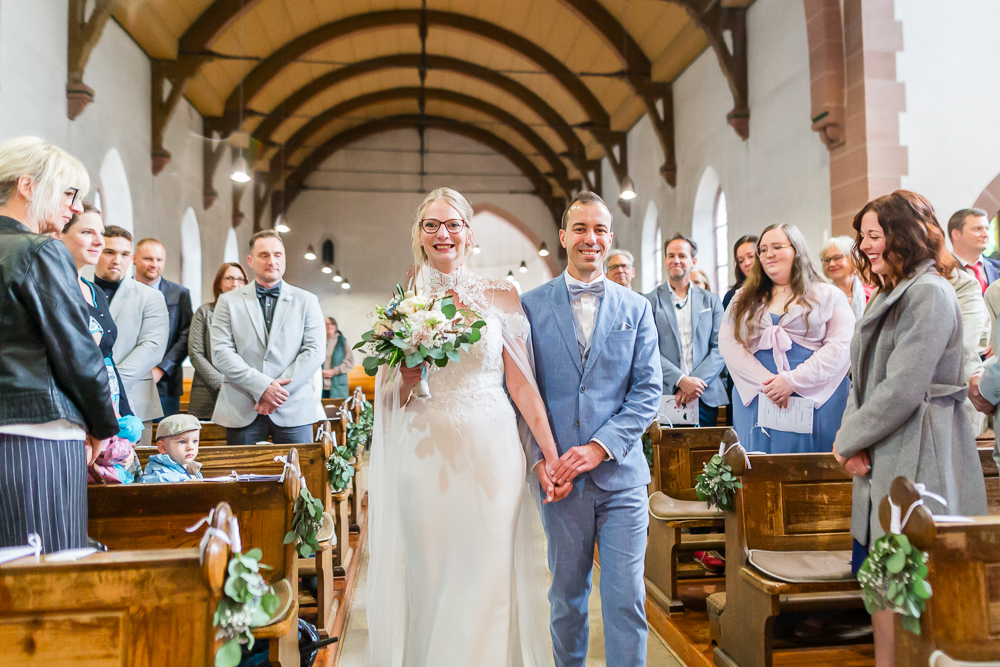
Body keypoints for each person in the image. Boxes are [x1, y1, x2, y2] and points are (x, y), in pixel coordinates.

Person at [366, 187, 570, 667]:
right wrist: (407, 377)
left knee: (486, 571)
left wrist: (550, 455)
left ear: (469, 234)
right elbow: (388, 399)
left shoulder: (502, 295)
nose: (443, 234)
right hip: (423, 451)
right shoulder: (403, 303)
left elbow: (524, 389)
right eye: (432, 225)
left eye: (453, 224)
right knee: (430, 569)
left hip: (491, 452)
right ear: (418, 234)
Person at [834, 190, 987, 667]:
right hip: (883, 448)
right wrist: (852, 443)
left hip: (922, 449)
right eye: (863, 237)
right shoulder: (890, 290)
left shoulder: (929, 293)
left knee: (910, 578)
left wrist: (848, 440)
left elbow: (903, 387)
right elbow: (861, 380)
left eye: (874, 235)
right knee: (881, 578)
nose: (865, 246)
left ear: (906, 235)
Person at [523, 191, 662, 667]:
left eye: (600, 229)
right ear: (563, 237)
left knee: (626, 600)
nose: (591, 238)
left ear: (609, 237)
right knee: (566, 601)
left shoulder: (636, 307)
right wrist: (541, 460)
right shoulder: (529, 306)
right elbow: (520, 393)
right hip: (561, 478)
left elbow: (648, 390)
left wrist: (602, 447)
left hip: (622, 477)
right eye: (580, 228)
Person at [0, 136, 119, 553]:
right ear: (27, 187)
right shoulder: (40, 251)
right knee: (49, 572)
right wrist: (105, 425)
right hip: (36, 435)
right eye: (69, 194)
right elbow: (76, 350)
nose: (73, 208)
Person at [720, 223, 854, 454]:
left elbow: (841, 346)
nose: (768, 254)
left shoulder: (828, 294)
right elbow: (728, 342)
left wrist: (792, 381)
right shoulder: (742, 297)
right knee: (757, 472)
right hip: (758, 395)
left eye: (777, 246)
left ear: (797, 250)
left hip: (816, 397)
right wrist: (768, 383)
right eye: (762, 249)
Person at [211, 230, 326, 445]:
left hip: (293, 406)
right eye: (264, 255)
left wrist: (277, 393)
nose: (271, 261)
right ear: (250, 261)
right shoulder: (228, 301)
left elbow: (315, 351)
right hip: (243, 406)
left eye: (278, 254)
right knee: (242, 476)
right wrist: (262, 387)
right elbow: (221, 352)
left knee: (300, 474)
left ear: (284, 259)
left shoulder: (307, 300)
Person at [56, 203, 143, 483]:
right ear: (59, 233)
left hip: (107, 401)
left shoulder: (93, 290)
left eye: (101, 232)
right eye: (87, 232)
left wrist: (124, 413)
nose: (98, 241)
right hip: (74, 408)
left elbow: (107, 357)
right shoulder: (53, 285)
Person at [95, 226, 169, 445]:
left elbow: (153, 347)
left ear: (132, 258)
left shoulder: (149, 296)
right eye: (109, 252)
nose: (117, 260)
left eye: (124, 254)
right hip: (82, 398)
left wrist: (107, 384)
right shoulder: (76, 289)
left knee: (135, 471)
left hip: (134, 397)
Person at [644, 233, 725, 427]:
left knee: (708, 456)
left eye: (682, 255)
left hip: (704, 394)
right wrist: (680, 380)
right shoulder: (649, 301)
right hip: (667, 393)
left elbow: (720, 347)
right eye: (671, 256)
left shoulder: (711, 301)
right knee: (670, 455)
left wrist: (694, 384)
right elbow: (648, 349)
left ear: (693, 261)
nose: (676, 260)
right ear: (665, 260)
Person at [134, 238, 192, 418]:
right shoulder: (123, 290)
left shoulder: (179, 293)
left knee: (166, 438)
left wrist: (161, 369)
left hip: (166, 383)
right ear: (134, 258)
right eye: (148, 259)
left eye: (159, 260)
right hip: (128, 380)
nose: (154, 264)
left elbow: (186, 336)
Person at [188, 263, 248, 420]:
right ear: (219, 283)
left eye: (240, 279)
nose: (235, 284)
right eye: (229, 278)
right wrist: (221, 382)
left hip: (244, 391)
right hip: (208, 392)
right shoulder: (204, 312)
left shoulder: (251, 316)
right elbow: (196, 353)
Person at [949, 207, 1000, 293]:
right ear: (956, 234)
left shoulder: (998, 267)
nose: (986, 235)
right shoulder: (943, 271)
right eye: (978, 229)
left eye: (986, 229)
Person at [819, 235, 871, 320]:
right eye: (827, 260)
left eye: (837, 258)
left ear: (853, 258)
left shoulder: (872, 295)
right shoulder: (821, 298)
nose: (831, 264)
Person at [141, 414, 203, 483]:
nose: (190, 447)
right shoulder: (160, 478)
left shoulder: (193, 469)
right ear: (162, 447)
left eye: (195, 441)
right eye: (182, 442)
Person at [722, 234, 758, 309]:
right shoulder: (732, 296)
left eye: (751, 256)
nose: (746, 263)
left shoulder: (777, 289)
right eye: (741, 261)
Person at [322, 317, 354, 399]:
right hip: (320, 383)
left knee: (337, 409)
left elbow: (350, 362)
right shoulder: (318, 341)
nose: (330, 326)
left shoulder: (342, 341)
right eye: (327, 324)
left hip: (338, 385)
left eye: (332, 324)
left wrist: (334, 371)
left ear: (336, 326)